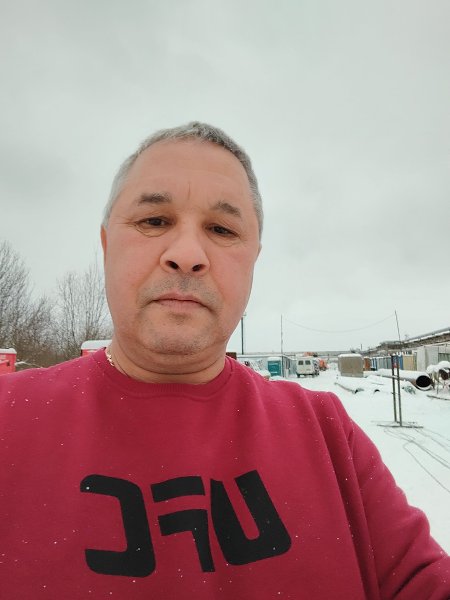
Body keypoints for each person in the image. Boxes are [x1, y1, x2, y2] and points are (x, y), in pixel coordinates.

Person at [0, 122, 449, 600]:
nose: (187, 254)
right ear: (107, 244)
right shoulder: (9, 418)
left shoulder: (326, 433)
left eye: (221, 229)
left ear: (253, 257)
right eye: (154, 221)